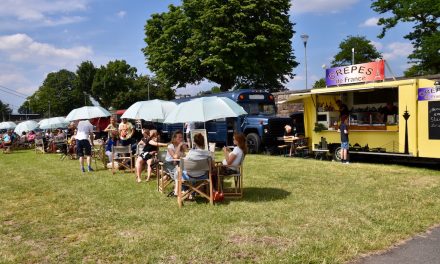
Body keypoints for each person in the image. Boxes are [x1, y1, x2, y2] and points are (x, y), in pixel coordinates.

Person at [173, 132, 212, 198]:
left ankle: (178, 191)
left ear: (194, 142)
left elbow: (184, 163)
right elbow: (212, 166)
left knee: (178, 171)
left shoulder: (191, 153)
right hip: (203, 176)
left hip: (190, 176)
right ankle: (194, 192)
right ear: (204, 142)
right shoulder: (208, 153)